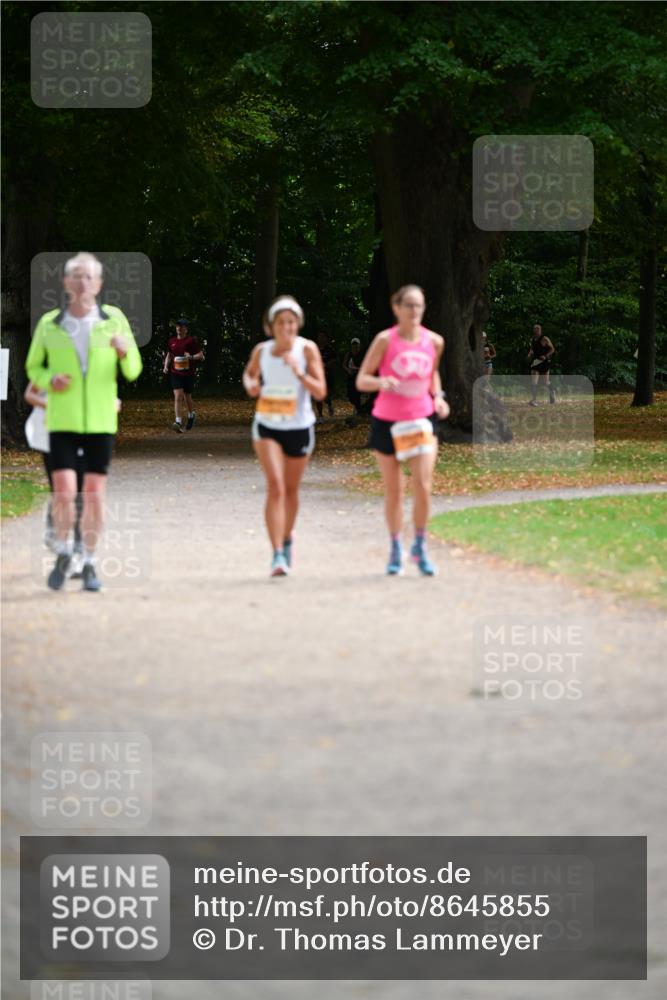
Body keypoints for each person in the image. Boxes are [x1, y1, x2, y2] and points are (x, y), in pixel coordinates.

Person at [25, 251, 142, 591]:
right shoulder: (50, 323)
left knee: (93, 495)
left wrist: (124, 352)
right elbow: (33, 368)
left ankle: (89, 561)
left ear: (99, 283)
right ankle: (63, 551)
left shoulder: (114, 319)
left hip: (102, 421)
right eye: (76, 275)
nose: (83, 282)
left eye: (89, 276)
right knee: (64, 492)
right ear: (66, 283)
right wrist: (50, 380)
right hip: (62, 418)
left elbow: (133, 370)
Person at [356, 284, 449, 576]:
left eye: (418, 305)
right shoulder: (385, 340)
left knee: (423, 484)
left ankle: (419, 547)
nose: (414, 311)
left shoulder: (434, 341)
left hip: (422, 419)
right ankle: (396, 547)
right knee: (395, 491)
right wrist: (380, 383)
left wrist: (439, 397)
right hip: (387, 422)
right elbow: (361, 380)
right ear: (396, 308)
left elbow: (432, 372)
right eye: (408, 305)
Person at [242, 295, 326, 577]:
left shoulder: (307, 350)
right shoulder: (262, 351)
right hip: (267, 425)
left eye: (291, 322)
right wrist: (252, 385)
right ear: (271, 326)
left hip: (299, 427)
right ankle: (277, 552)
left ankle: (287, 537)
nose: (287, 327)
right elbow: (250, 375)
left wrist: (298, 371)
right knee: (275, 486)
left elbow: (320, 391)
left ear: (297, 324)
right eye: (281, 322)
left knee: (290, 489)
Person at [163, 318, 204, 432]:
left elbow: (200, 355)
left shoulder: (191, 341)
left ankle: (191, 415)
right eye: (177, 326)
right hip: (175, 373)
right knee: (178, 396)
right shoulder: (171, 341)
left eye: (182, 327)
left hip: (189, 373)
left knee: (187, 397)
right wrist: (166, 366)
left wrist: (190, 357)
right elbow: (169, 355)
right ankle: (178, 421)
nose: (179, 328)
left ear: (186, 329)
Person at [527, 323, 556, 405]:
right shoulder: (533, 340)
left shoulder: (544, 339)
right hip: (536, 361)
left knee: (545, 381)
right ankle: (533, 400)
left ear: (540, 330)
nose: (536, 330)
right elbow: (532, 349)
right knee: (534, 381)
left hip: (544, 361)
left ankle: (552, 393)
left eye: (537, 329)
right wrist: (530, 354)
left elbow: (552, 349)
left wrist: (545, 356)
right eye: (534, 328)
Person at [314, 331, 336, 420]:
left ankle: (329, 403)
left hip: (327, 374)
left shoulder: (330, 349)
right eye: (320, 337)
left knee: (326, 395)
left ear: (326, 338)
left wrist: (326, 365)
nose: (321, 338)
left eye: (323, 337)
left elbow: (335, 359)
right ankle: (320, 415)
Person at [343, 337, 364, 415]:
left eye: (357, 345)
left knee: (357, 394)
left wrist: (359, 369)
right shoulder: (348, 354)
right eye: (353, 345)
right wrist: (348, 370)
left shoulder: (362, 355)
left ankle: (358, 410)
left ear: (359, 345)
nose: (355, 346)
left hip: (359, 377)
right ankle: (357, 407)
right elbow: (344, 365)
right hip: (351, 377)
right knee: (350, 395)